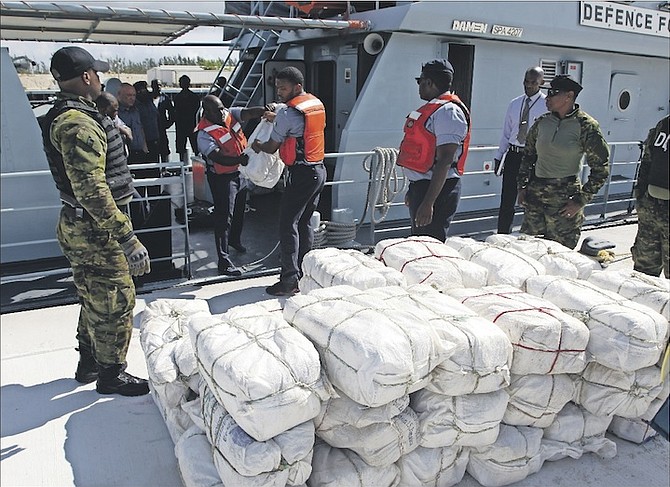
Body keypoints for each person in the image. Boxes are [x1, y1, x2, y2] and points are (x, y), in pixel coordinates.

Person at [39, 46, 150, 396]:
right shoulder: (77, 124)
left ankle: (89, 363)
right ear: (87, 77)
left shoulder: (77, 115)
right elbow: (92, 191)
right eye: (98, 74)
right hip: (96, 229)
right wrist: (128, 240)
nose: (101, 79)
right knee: (116, 300)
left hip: (82, 225)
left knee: (93, 297)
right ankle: (112, 374)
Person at [251, 66, 326, 296]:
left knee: (287, 224)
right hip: (318, 171)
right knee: (303, 223)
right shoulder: (314, 105)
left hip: (302, 175)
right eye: (278, 88)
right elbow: (297, 125)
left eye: (283, 88)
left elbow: (272, 146)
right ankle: (304, 273)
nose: (279, 93)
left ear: (297, 87)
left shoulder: (286, 113)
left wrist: (257, 146)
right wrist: (277, 117)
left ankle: (288, 280)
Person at [517, 74, 610, 249]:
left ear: (569, 96)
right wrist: (522, 186)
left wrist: (581, 201)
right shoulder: (542, 122)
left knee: (560, 254)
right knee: (529, 249)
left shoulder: (586, 126)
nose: (548, 97)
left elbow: (601, 169)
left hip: (564, 200)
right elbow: (528, 156)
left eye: (553, 93)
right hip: (535, 197)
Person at [396, 59, 471, 242]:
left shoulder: (449, 112)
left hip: (438, 191)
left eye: (419, 81)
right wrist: (413, 190)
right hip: (423, 188)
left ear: (429, 82)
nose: (419, 86)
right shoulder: (434, 109)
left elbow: (445, 160)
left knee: (430, 244)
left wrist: (428, 203)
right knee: (419, 242)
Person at [196, 95, 269, 276]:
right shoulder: (204, 134)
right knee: (224, 216)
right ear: (207, 112)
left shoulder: (230, 114)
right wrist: (240, 159)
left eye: (222, 108)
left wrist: (266, 109)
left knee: (239, 210)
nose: (221, 113)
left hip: (240, 173)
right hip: (222, 178)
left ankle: (234, 240)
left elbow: (250, 113)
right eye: (217, 110)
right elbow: (217, 157)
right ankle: (224, 261)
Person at [493, 67, 546, 234]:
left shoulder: (546, 105)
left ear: (541, 83)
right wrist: (499, 156)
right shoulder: (515, 104)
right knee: (507, 200)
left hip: (533, 157)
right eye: (526, 81)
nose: (528, 85)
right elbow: (506, 133)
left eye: (533, 83)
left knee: (530, 200)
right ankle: (502, 234)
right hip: (513, 154)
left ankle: (528, 235)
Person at [631, 115, 669, 278]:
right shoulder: (664, 124)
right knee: (643, 272)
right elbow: (647, 161)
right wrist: (641, 197)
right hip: (651, 211)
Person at [117, 82, 147, 163]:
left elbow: (140, 128)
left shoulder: (136, 111)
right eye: (129, 95)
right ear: (119, 96)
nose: (132, 98)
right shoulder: (115, 113)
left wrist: (145, 147)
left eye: (134, 95)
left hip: (141, 153)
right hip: (125, 155)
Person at [173, 75, 201, 162]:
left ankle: (199, 165)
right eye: (182, 83)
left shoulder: (195, 97)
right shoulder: (177, 97)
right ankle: (182, 166)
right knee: (181, 148)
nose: (184, 84)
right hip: (181, 125)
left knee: (197, 148)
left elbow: (197, 113)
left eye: (185, 83)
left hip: (192, 125)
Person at [133, 81, 160, 162]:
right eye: (142, 90)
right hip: (143, 142)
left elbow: (156, 94)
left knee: (155, 165)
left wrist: (155, 86)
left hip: (154, 139)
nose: (145, 92)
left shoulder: (149, 102)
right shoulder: (135, 106)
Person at [151, 79, 175, 163]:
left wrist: (168, 123)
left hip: (161, 127)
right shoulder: (148, 99)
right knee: (153, 149)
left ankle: (164, 168)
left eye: (160, 85)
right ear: (152, 86)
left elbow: (172, 113)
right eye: (156, 85)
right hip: (150, 128)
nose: (158, 87)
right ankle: (155, 169)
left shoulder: (165, 98)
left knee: (164, 148)